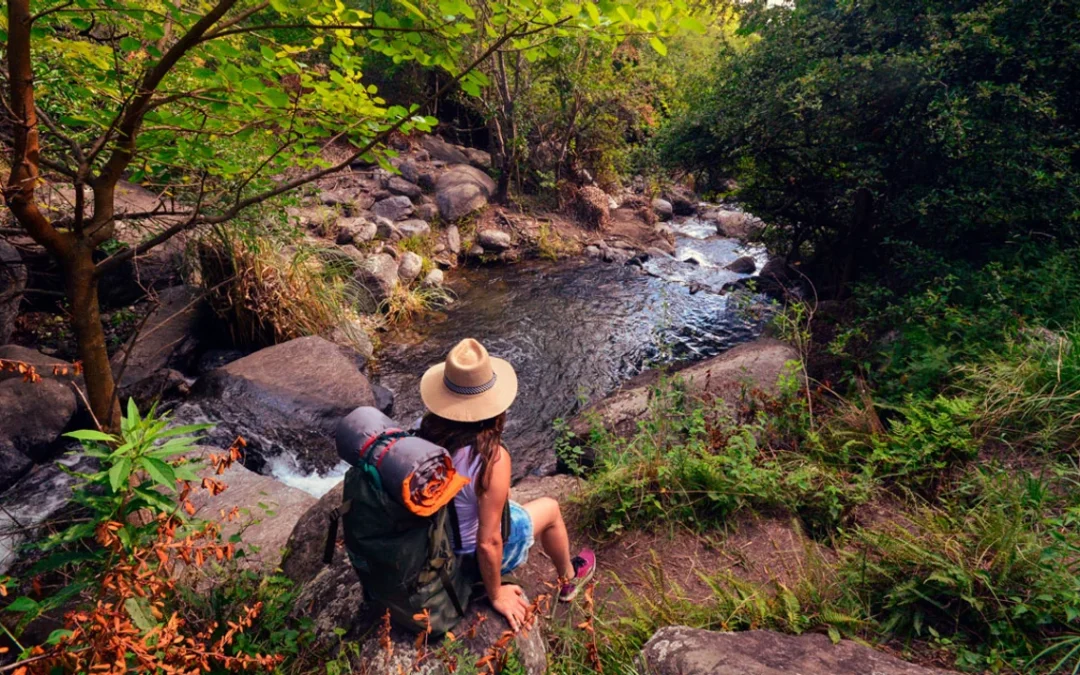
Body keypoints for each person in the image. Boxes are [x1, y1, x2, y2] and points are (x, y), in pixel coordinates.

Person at [417, 338, 596, 631]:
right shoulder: (491, 459)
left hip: (437, 545)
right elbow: (488, 542)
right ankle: (569, 579)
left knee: (498, 507)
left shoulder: (424, 433)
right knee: (550, 509)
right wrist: (495, 592)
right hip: (466, 559)